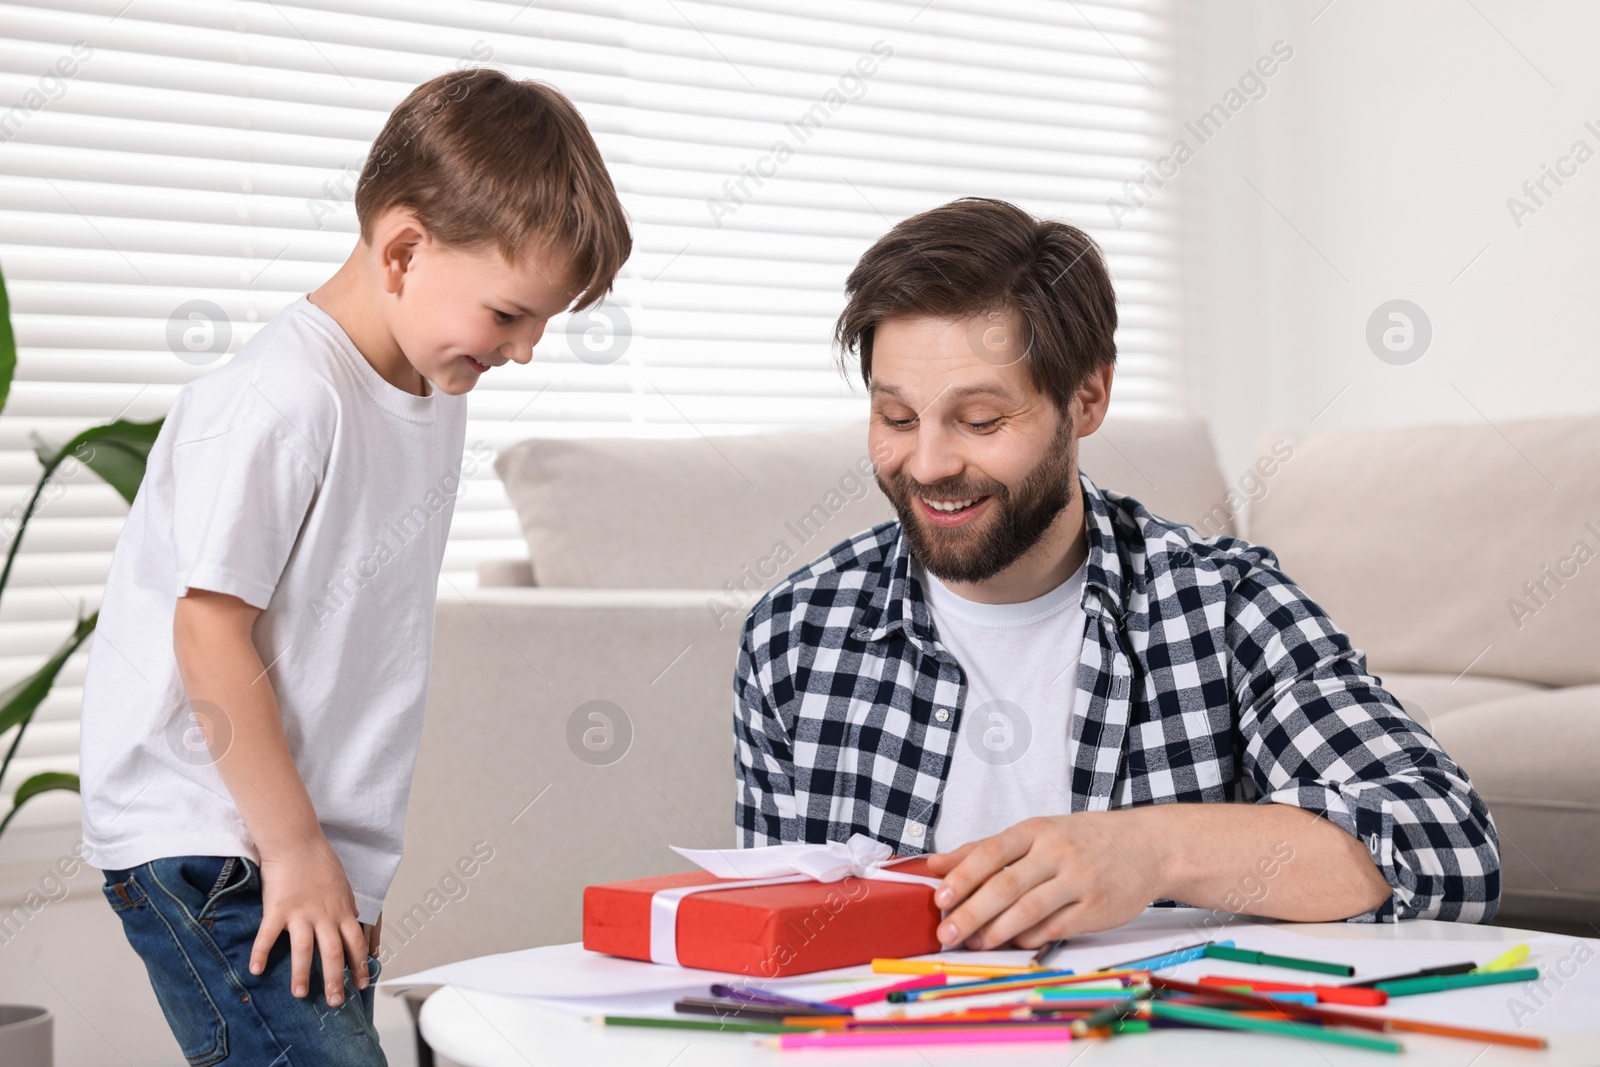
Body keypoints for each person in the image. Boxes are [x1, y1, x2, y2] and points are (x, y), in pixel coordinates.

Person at [733, 197, 1499, 952]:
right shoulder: (796, 632)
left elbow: (1448, 843)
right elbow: (765, 942)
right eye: (897, 418)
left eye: (980, 420)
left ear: (1088, 396)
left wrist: (1151, 850)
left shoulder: (1225, 607)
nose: (928, 464)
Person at [79, 69, 630, 1064]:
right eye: (510, 314)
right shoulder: (284, 398)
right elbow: (207, 631)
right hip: (214, 833)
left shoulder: (431, 386)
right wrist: (292, 849)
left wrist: (341, 868)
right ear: (405, 249)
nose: (527, 349)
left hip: (296, 840)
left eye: (545, 321)